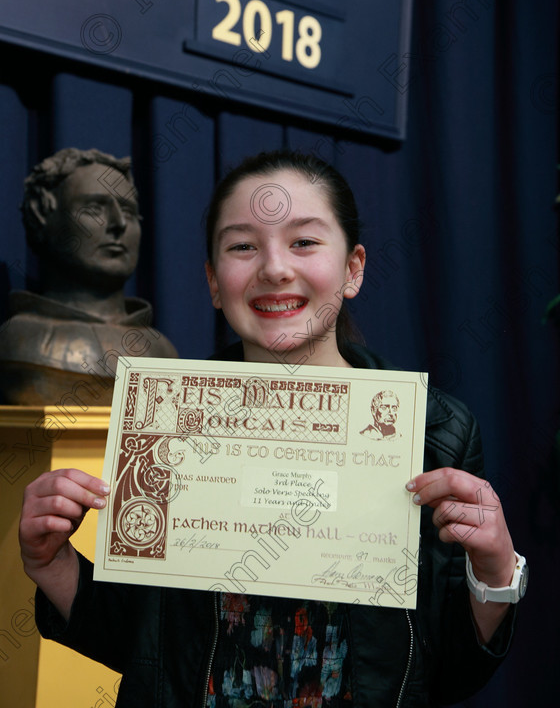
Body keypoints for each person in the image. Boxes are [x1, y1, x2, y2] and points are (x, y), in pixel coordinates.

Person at [19, 151, 524, 707]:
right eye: (242, 246)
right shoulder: (167, 416)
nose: (275, 268)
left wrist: (494, 569)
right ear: (214, 282)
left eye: (303, 242)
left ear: (353, 268)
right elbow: (138, 649)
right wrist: (53, 563)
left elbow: (449, 671)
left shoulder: (435, 430)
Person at [0, 147, 177, 404]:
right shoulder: (18, 344)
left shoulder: (163, 353)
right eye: (94, 210)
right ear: (42, 215)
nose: (119, 223)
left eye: (128, 212)